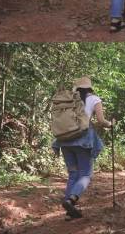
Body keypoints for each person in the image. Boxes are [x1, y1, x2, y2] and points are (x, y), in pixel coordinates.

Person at [52, 76, 113, 219]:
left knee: (73, 174)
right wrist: (111, 124)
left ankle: (69, 212)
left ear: (77, 88)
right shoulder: (94, 99)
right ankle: (71, 200)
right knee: (86, 174)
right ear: (89, 87)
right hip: (83, 141)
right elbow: (101, 121)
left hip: (64, 140)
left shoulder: (69, 99)